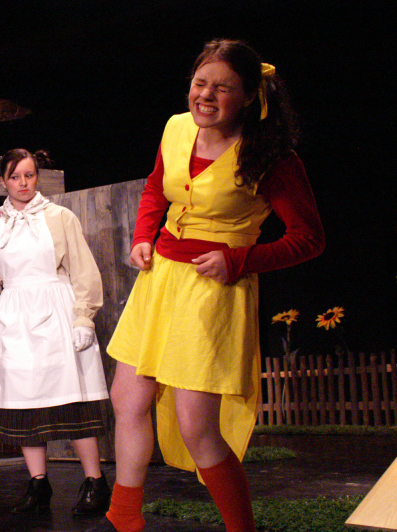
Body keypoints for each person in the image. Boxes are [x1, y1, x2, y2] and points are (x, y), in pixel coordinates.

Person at [91, 40, 325, 532]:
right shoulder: (177, 128)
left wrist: (238, 260)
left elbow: (308, 238)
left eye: (222, 88)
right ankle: (124, 515)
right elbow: (156, 186)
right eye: (200, 83)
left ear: (249, 96)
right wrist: (143, 236)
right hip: (160, 280)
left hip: (214, 290)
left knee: (197, 427)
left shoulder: (270, 156)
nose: (206, 96)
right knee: (127, 399)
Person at [0, 148, 111, 516]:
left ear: (37, 177)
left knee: (73, 398)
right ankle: (38, 483)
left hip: (57, 310)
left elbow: (83, 269)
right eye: (15, 177)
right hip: (14, 317)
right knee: (23, 402)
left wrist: (84, 318)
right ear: (3, 181)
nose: (23, 183)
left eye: (29, 175)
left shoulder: (59, 217)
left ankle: (95, 482)